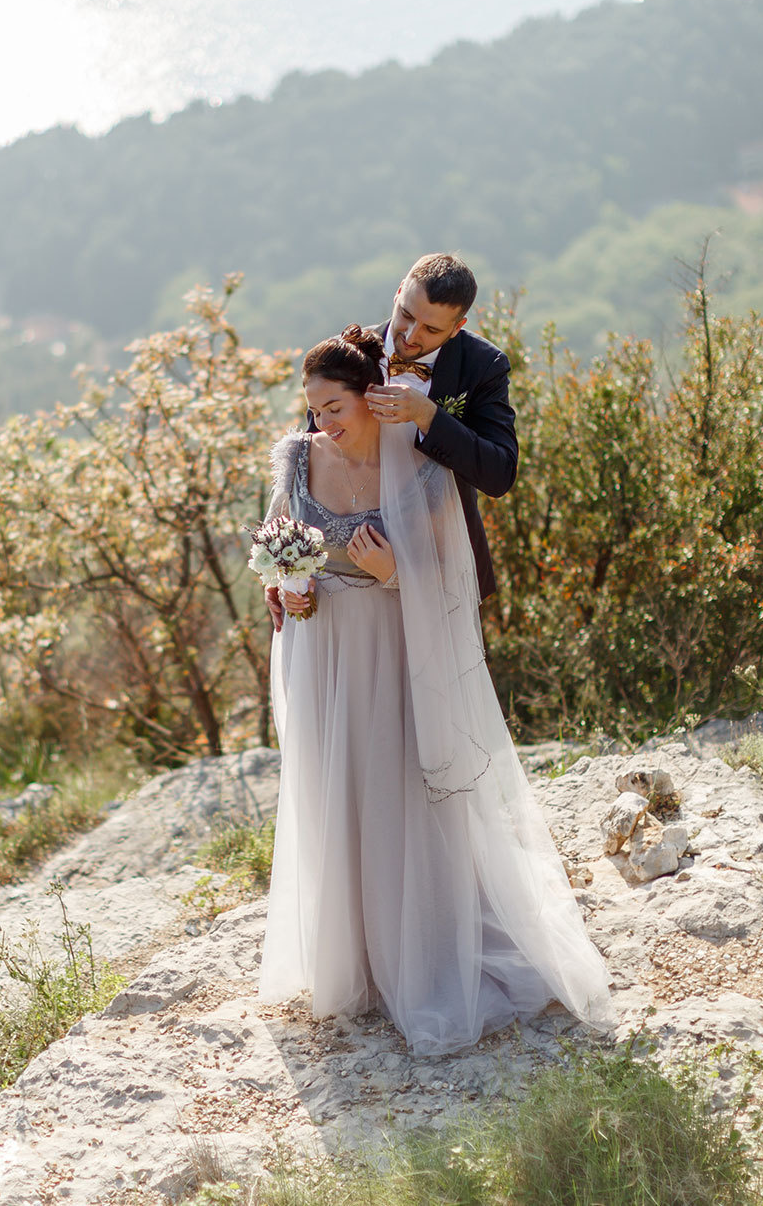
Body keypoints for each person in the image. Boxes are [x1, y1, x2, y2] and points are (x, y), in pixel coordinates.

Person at [255, 324, 614, 1055]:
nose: (321, 422)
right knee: (337, 791)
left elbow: (450, 576)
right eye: (313, 408)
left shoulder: (417, 465)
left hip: (395, 644)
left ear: (369, 398)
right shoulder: (296, 458)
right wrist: (286, 587)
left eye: (333, 407)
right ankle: (351, 959)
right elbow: (275, 541)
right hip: (323, 648)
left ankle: (419, 951)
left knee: (398, 790)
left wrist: (393, 576)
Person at [265, 252, 515, 631]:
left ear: (457, 326)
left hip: (435, 571)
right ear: (399, 292)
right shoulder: (344, 352)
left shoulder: (482, 366)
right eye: (407, 315)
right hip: (343, 582)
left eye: (431, 330)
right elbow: (311, 458)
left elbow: (499, 474)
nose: (412, 337)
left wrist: (428, 416)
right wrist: (285, 571)